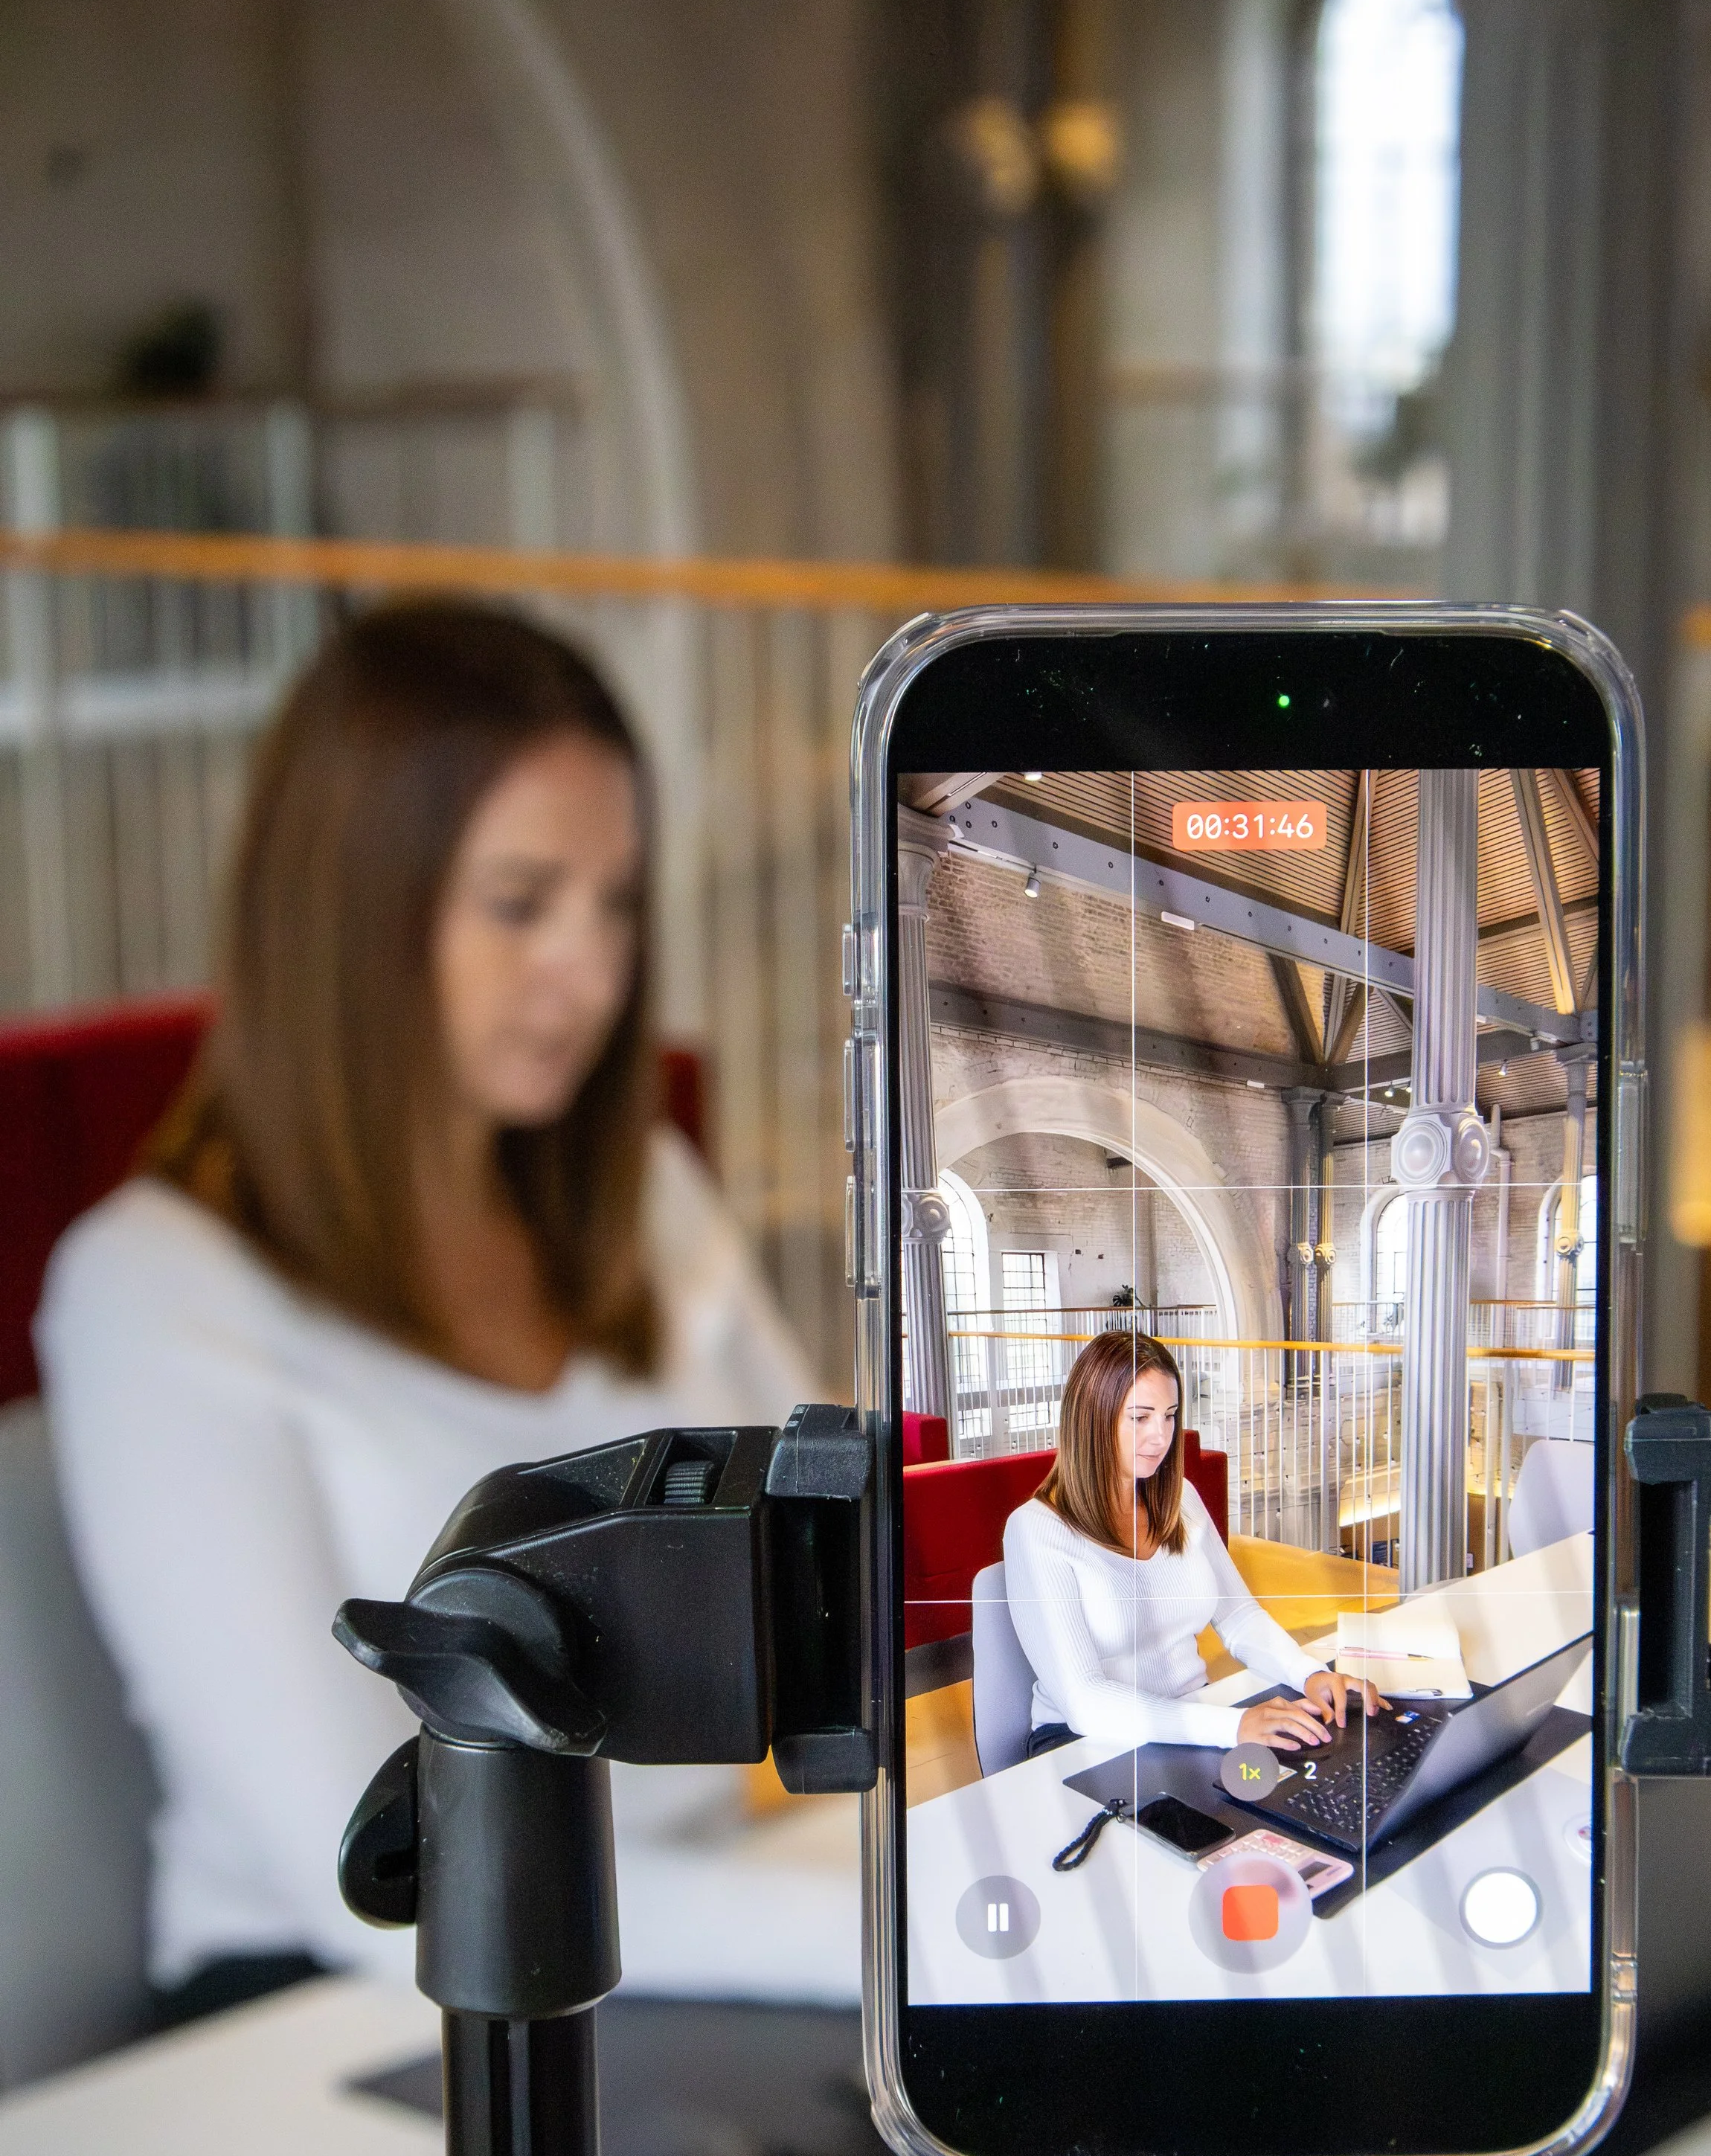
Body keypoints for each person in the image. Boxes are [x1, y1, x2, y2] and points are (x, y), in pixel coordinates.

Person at [37, 600, 845, 2020]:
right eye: (522, 904)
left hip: (687, 1966)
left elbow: (838, 1596)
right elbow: (376, 1878)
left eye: (617, 903)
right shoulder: (151, 1294)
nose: (590, 978)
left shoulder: (642, 1189)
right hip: (339, 2011)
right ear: (352, 910)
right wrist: (891, 1947)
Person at [1002, 1329, 1377, 1758]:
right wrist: (1234, 1725)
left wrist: (1309, 1674)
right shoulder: (1034, 1531)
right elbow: (1084, 1702)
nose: (1161, 1437)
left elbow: (1238, 1616)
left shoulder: (1180, 1498)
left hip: (1193, 1717)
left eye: (1170, 1415)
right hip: (1085, 1741)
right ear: (1091, 1418)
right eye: (1140, 1417)